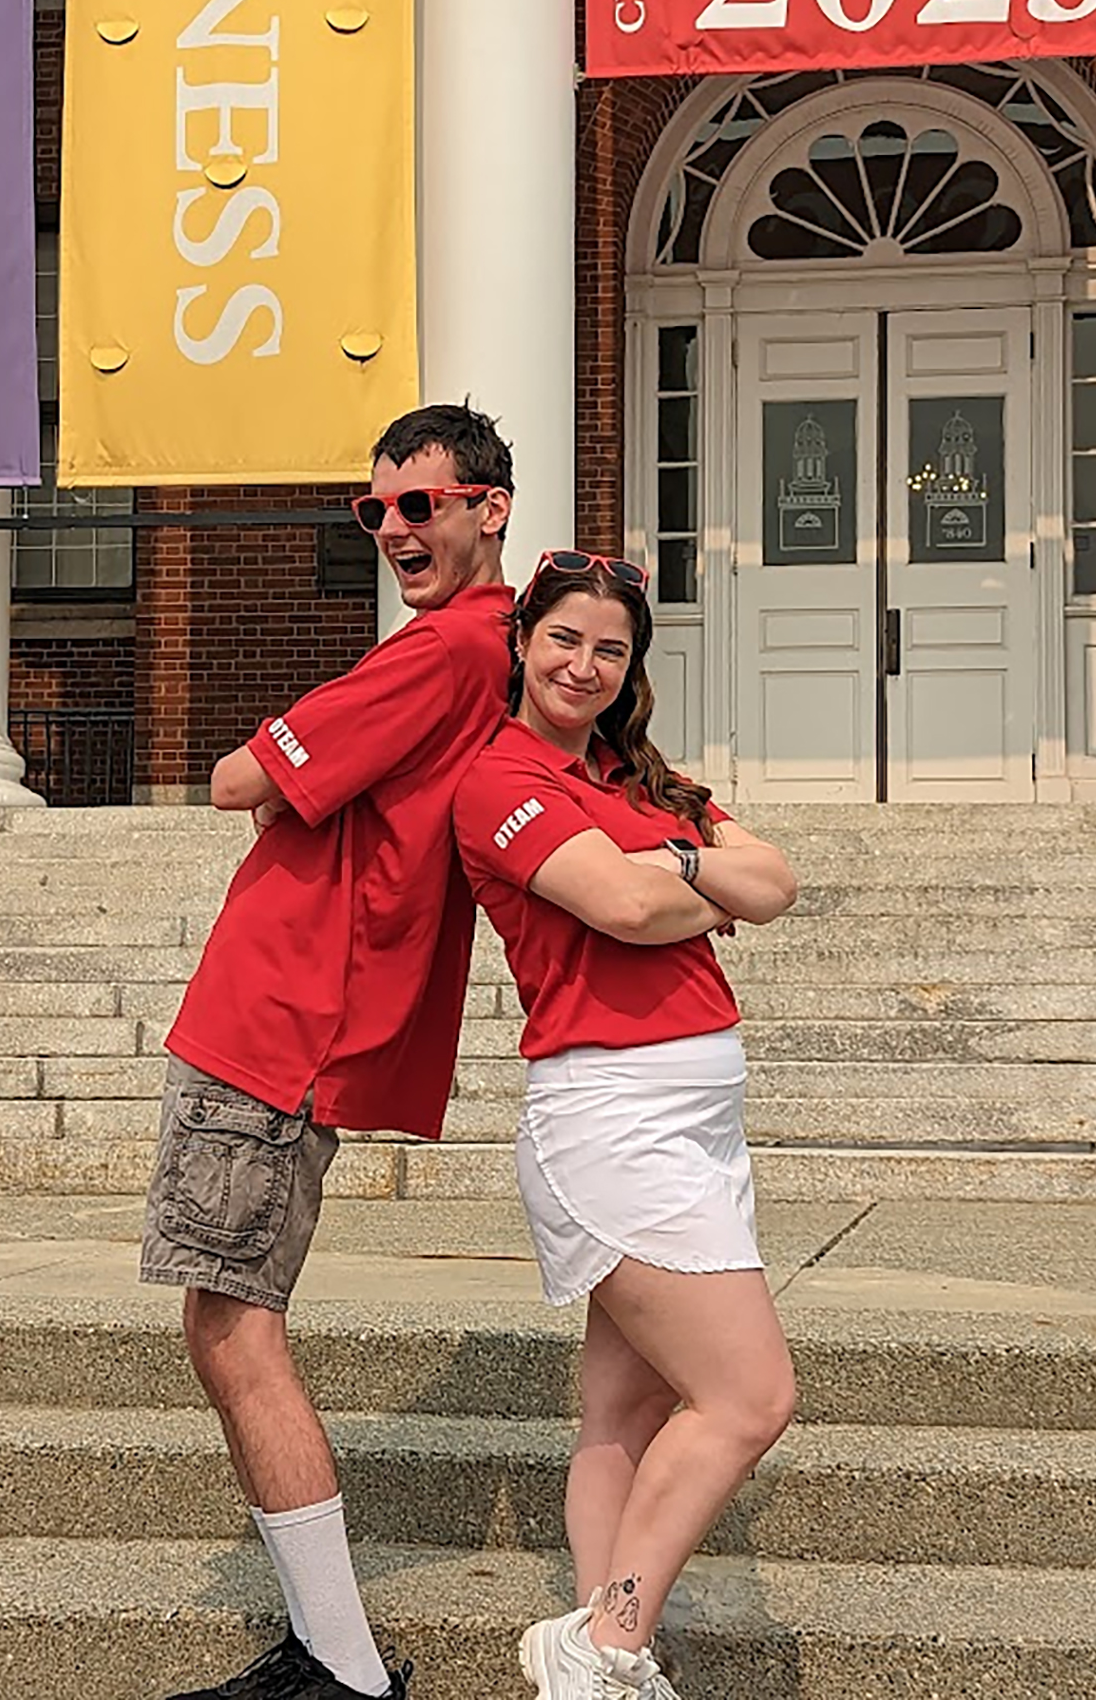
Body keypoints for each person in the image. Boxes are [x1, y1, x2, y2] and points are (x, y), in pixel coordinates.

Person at [140, 403, 516, 1700]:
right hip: (294, 1019)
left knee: (235, 1329)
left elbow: (240, 778)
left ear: (489, 507)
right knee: (224, 1319)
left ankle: (346, 1670)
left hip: (284, 1019)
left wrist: (272, 745)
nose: (396, 530)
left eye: (421, 504)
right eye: (378, 511)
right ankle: (327, 1654)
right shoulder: (471, 651)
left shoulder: (446, 651)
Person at [452, 551, 799, 1700]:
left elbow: (778, 878)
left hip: (696, 1118)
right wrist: (693, 881)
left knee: (631, 1402)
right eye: (564, 638)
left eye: (611, 647)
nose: (585, 664)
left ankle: (602, 1670)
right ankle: (606, 1636)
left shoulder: (636, 779)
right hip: (615, 1110)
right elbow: (623, 904)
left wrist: (674, 855)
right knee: (750, 1396)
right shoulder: (497, 777)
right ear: (521, 639)